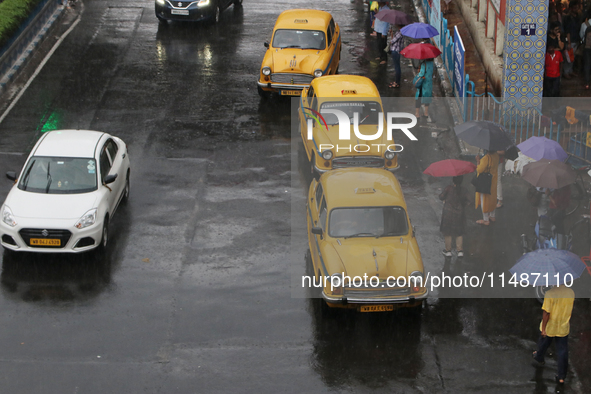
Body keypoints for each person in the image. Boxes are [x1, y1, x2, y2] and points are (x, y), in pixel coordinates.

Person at [532, 285, 575, 385]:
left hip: (550, 327)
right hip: (563, 327)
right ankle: (561, 377)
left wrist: (543, 329)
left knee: (543, 344)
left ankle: (539, 357)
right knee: (562, 352)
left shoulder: (550, 294)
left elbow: (546, 313)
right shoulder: (571, 293)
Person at [439, 176, 470, 257]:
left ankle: (448, 250)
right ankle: (460, 251)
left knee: (447, 232)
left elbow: (441, 197)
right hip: (459, 213)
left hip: (448, 213)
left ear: (453, 180)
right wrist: (462, 205)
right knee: (459, 232)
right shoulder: (464, 190)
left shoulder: (448, 188)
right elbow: (469, 201)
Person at [475, 150, 499, 225]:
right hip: (493, 180)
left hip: (485, 182)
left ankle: (485, 219)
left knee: (484, 200)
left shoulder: (486, 158)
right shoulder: (496, 156)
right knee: (492, 198)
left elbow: (479, 169)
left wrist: (478, 161)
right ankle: (492, 216)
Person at [562, 1, 582, 79]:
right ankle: (566, 71)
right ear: (570, 8)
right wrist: (568, 42)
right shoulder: (568, 18)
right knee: (568, 57)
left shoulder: (577, 17)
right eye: (575, 7)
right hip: (570, 40)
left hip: (576, 39)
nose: (576, 9)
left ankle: (570, 70)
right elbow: (567, 31)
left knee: (572, 57)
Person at [413, 57, 434, 121]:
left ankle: (417, 114)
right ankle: (426, 113)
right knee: (427, 97)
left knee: (418, 98)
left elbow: (421, 74)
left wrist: (419, 71)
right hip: (429, 84)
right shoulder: (432, 64)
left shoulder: (423, 64)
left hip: (423, 84)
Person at [581, 11, 591, 89]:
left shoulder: (584, 24)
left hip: (587, 47)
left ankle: (587, 83)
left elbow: (581, 35)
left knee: (587, 64)